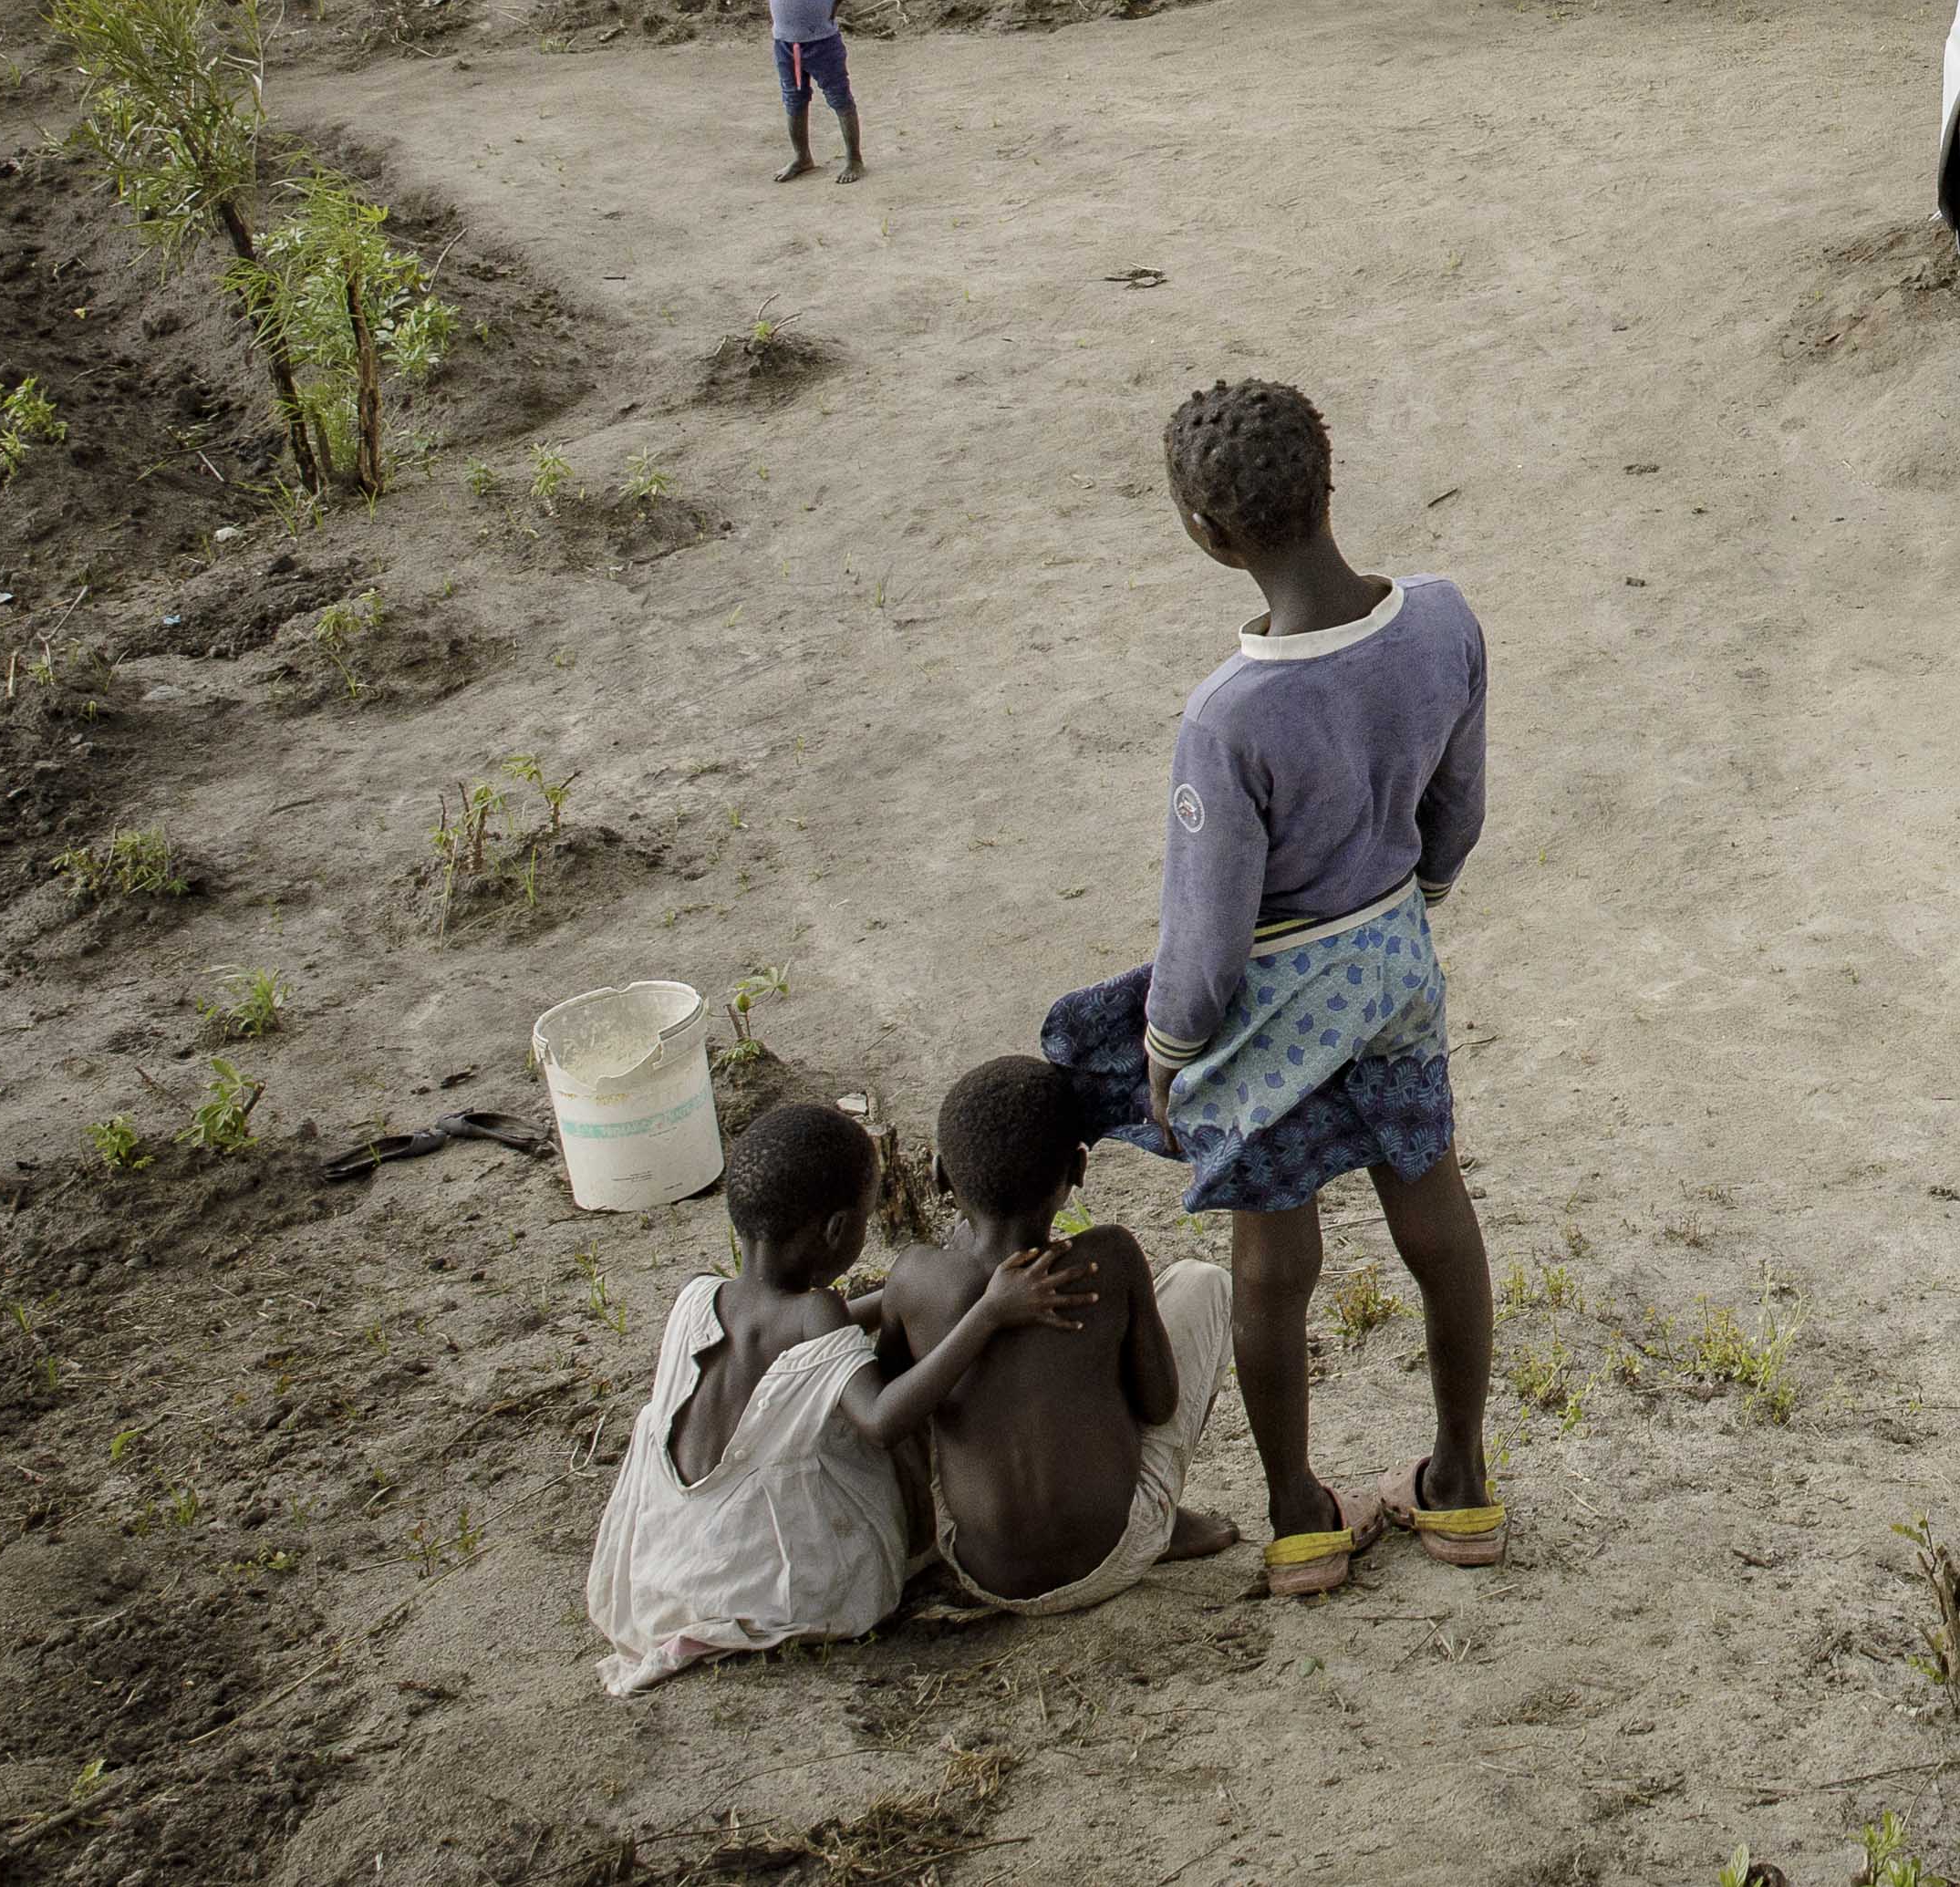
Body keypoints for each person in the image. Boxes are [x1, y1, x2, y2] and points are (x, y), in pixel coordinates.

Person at [1040, 381, 1499, 1602]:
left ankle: (1299, 1514)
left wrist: (1166, 1038)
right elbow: (1456, 808)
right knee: (1433, 1214)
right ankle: (1459, 1478)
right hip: (1394, 968)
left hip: (1271, 1015)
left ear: (1205, 532)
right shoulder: (1444, 622)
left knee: (1272, 1261)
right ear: (1329, 479)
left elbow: (1208, 928)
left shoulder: (1228, 718)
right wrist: (1421, 894)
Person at [584, 1102, 1087, 1695]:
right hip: (786, 1587)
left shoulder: (699, 1295)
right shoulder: (814, 1312)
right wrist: (987, 1313)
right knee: (898, 1391)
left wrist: (901, 1291)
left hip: (677, 1565)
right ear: (834, 1231)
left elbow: (804, 1349)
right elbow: (880, 1421)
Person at [885, 1057, 1237, 1616]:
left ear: (939, 1176)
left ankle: (916, 1546)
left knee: (906, 1381)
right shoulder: (1112, 1258)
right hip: (1114, 1555)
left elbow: (892, 1416)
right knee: (1204, 1282)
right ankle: (1163, 1524)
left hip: (980, 1571)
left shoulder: (914, 1278)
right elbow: (1160, 1404)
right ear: (1078, 1169)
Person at [745, 0, 879, 183]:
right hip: (786, 46)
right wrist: (778, 2)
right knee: (793, 101)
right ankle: (802, 157)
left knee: (839, 97)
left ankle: (854, 159)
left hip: (823, 44)